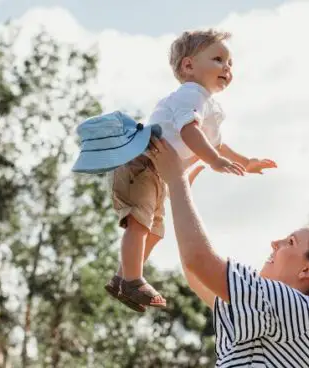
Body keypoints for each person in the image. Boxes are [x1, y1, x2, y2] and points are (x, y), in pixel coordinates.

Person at [145, 137, 309, 367]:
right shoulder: (280, 315)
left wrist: (176, 181)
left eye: (291, 242)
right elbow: (197, 271)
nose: (275, 243)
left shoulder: (298, 309)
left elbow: (199, 261)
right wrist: (179, 194)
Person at [99, 29, 277, 312]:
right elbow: (190, 131)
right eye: (218, 59)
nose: (227, 68)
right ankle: (132, 279)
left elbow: (218, 144)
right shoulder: (190, 95)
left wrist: (247, 162)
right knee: (140, 223)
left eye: (230, 63)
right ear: (188, 66)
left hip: (158, 173)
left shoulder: (208, 105)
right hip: (142, 163)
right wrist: (215, 160)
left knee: (155, 231)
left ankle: (123, 277)